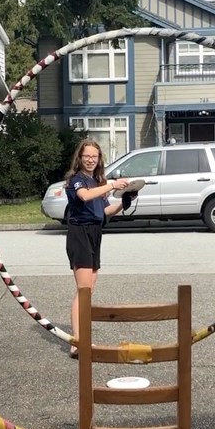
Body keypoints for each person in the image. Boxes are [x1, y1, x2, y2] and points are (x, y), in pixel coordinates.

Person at [65, 139, 137, 359]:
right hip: (80, 234)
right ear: (80, 157)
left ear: (99, 159)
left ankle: (82, 338)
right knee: (83, 290)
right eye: (87, 156)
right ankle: (78, 343)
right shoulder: (76, 181)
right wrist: (113, 185)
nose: (90, 160)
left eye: (94, 157)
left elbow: (105, 211)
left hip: (96, 233)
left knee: (90, 290)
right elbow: (85, 196)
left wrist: (123, 204)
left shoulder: (97, 181)